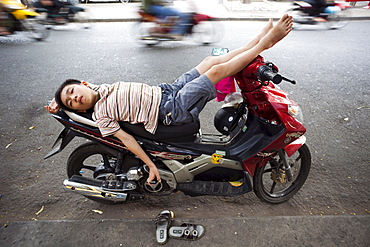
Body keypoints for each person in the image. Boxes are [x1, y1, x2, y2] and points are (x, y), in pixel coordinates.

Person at [45, 14, 294, 185]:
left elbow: (70, 97)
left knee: (209, 61)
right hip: (170, 111)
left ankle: (256, 41)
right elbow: (127, 140)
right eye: (71, 102)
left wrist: (58, 103)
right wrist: (150, 165)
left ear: (84, 84)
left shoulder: (99, 89)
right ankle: (266, 43)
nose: (75, 98)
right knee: (216, 72)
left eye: (73, 92)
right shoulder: (101, 115)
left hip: (165, 91)